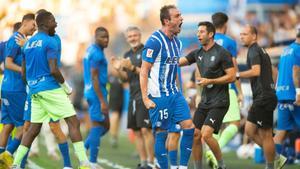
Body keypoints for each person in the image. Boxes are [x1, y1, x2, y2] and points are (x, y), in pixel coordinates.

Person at [11, 11, 90, 169]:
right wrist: (66, 87)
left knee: (33, 129)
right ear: (45, 23)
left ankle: (15, 164)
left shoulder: (28, 44)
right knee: (73, 122)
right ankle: (84, 163)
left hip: (35, 91)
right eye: (54, 20)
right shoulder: (50, 41)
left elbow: (24, 73)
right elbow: (54, 69)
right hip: (50, 88)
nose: (57, 23)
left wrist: (34, 86)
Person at [140, 5, 195, 169]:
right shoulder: (154, 41)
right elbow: (144, 71)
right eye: (177, 16)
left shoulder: (177, 43)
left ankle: (183, 167)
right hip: (158, 96)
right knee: (162, 134)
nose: (181, 19)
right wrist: (145, 98)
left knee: (189, 127)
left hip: (175, 94)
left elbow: (174, 68)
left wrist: (182, 90)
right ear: (167, 21)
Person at [179, 21, 236, 169]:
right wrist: (160, 62)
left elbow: (232, 76)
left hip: (220, 101)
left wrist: (211, 80)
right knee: (194, 135)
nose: (198, 34)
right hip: (204, 102)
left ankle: (221, 165)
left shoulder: (222, 53)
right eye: (198, 32)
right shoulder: (197, 53)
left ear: (211, 34)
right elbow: (179, 62)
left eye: (202, 32)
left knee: (206, 135)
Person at [238, 24, 285, 169]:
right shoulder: (261, 51)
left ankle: (271, 165)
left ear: (254, 36)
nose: (242, 37)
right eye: (241, 34)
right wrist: (272, 87)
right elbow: (274, 72)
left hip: (264, 97)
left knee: (265, 135)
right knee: (249, 131)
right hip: (264, 95)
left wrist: (238, 74)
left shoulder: (253, 51)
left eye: (245, 34)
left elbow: (256, 71)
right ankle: (276, 157)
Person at [204, 12, 243, 167]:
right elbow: (233, 67)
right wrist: (240, 91)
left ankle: (212, 155)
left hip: (210, 88)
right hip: (227, 86)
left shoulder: (207, 41)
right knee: (235, 124)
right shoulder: (229, 42)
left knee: (215, 124)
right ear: (225, 25)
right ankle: (213, 150)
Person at [112, 26, 154, 169]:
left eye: (135, 35)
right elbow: (125, 79)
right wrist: (118, 70)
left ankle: (151, 161)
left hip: (146, 96)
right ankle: (143, 162)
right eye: (130, 36)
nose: (133, 38)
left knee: (145, 130)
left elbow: (149, 75)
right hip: (132, 96)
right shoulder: (127, 54)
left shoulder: (146, 52)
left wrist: (131, 68)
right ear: (126, 39)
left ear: (140, 35)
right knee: (136, 131)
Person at [0, 14, 36, 169]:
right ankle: (7, 156)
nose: (35, 28)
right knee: (26, 126)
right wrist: (23, 71)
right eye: (33, 25)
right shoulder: (16, 39)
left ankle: (2, 156)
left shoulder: (16, 38)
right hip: (16, 89)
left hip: (8, 87)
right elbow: (7, 63)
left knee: (8, 125)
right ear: (25, 22)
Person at [83, 26, 110, 169]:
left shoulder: (91, 50)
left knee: (105, 126)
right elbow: (94, 78)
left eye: (107, 37)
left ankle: (82, 149)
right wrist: (101, 100)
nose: (106, 40)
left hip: (93, 91)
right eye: (103, 37)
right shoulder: (96, 54)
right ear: (96, 37)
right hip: (96, 93)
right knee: (98, 126)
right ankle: (92, 163)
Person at [273, 26, 300, 166]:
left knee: (281, 133)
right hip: (293, 95)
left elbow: (277, 72)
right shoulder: (298, 50)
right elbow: (296, 71)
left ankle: (272, 165)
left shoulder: (286, 50)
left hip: (282, 95)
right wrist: (299, 93)